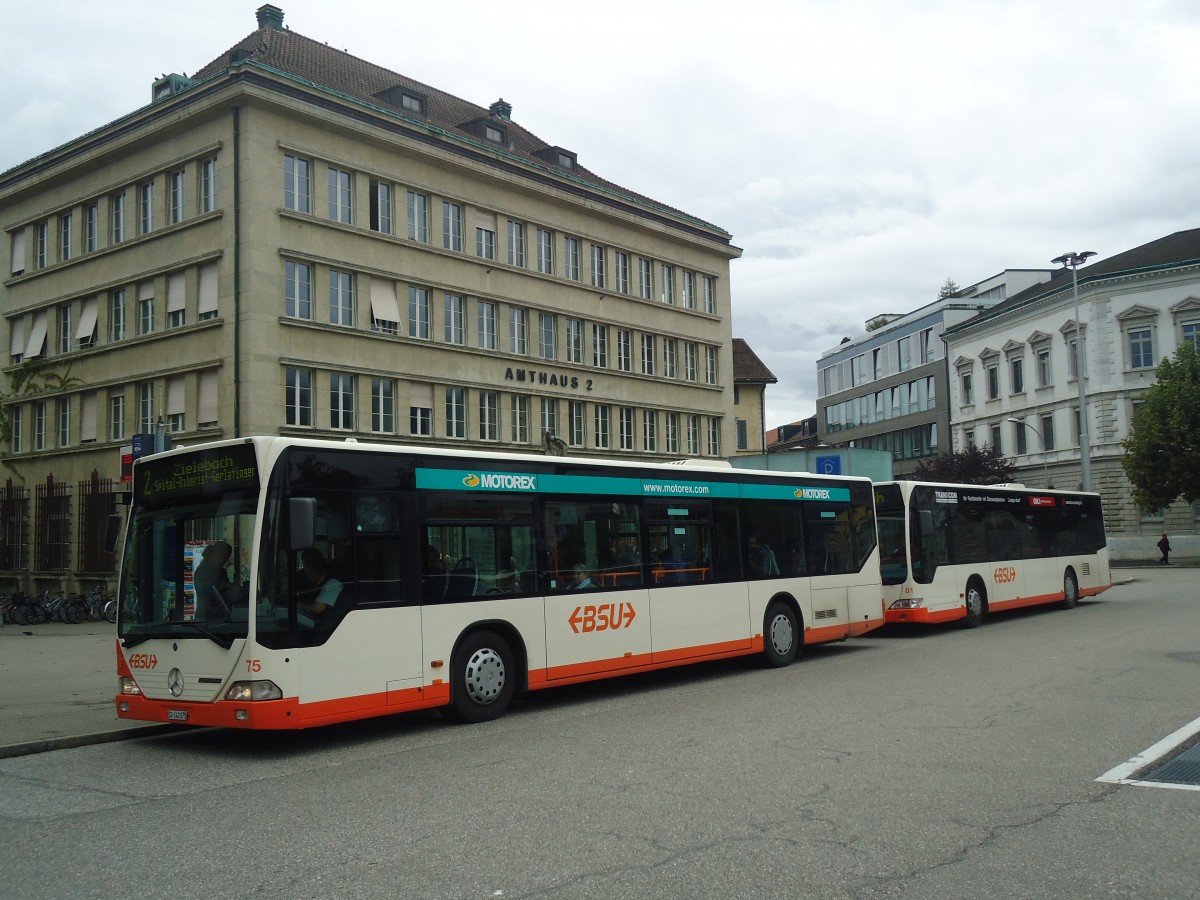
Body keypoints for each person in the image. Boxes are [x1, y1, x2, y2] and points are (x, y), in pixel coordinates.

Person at [193, 541, 232, 618]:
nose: (227, 560)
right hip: (206, 616)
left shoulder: (221, 571)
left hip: (221, 614)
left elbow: (227, 594)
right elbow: (205, 588)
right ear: (217, 554)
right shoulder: (203, 570)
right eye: (226, 557)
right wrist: (225, 585)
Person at [299, 548, 343, 617]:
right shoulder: (316, 584)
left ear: (313, 570)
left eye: (306, 569)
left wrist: (301, 607)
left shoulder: (333, 583)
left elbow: (318, 608)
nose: (304, 572)